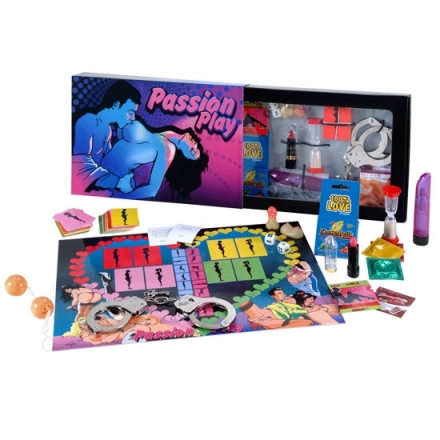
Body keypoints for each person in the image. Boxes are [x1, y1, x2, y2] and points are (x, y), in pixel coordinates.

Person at [100, 118, 209, 201]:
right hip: (100, 170)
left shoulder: (168, 149)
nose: (195, 144)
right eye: (197, 146)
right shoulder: (162, 133)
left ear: (184, 156)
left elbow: (152, 190)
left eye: (193, 151)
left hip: (108, 182)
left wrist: (116, 196)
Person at [72, 80, 141, 195]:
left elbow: (108, 161)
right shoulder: (89, 121)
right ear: (116, 104)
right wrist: (118, 182)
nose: (133, 118)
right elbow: (79, 164)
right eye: (130, 112)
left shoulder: (107, 129)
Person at [239, 287, 312, 330]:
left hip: (274, 320)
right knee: (241, 299)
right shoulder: (274, 305)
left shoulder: (293, 299)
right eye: (279, 293)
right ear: (273, 296)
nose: (283, 294)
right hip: (263, 316)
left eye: (282, 292)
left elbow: (306, 322)